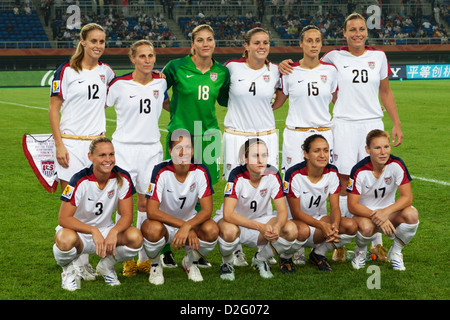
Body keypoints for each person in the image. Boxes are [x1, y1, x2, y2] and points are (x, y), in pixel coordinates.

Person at [279, 13, 404, 259]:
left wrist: (396, 123)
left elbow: (386, 92)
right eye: (352, 29)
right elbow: (312, 67)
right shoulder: (333, 57)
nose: (357, 33)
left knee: (374, 177)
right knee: (345, 180)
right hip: (344, 125)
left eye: (361, 29)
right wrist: (284, 64)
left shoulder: (378, 56)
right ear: (344, 33)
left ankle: (375, 240)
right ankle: (341, 244)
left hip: (372, 124)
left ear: (367, 32)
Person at [49, 23, 116, 281]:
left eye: (102, 41)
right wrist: (59, 144)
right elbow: (54, 109)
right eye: (94, 41)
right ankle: (74, 259)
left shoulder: (106, 72)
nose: (98, 46)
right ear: (83, 41)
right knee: (73, 204)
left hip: (97, 146)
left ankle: (85, 259)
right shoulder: (65, 70)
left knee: (93, 201)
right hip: (71, 145)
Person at [161, 24, 230, 267]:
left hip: (208, 135)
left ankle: (195, 251)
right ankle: (166, 248)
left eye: (209, 39)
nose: (205, 44)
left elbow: (223, 99)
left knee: (204, 192)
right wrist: (172, 108)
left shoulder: (222, 72)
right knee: (171, 192)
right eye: (200, 40)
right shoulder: (176, 66)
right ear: (193, 44)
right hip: (180, 134)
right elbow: (158, 89)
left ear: (214, 43)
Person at [106, 40, 170, 276]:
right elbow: (99, 107)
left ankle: (144, 258)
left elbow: (166, 103)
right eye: (142, 56)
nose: (147, 60)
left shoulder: (161, 81)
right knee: (122, 203)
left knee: (146, 203)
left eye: (151, 55)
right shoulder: (118, 84)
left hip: (151, 150)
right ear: (132, 58)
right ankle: (126, 255)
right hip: (123, 149)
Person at [221, 27, 281, 267]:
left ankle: (263, 245)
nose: (262, 46)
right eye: (256, 42)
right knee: (234, 190)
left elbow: (281, 95)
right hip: (237, 136)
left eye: (266, 42)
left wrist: (264, 112)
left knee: (266, 188)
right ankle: (235, 249)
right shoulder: (231, 67)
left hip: (266, 136)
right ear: (245, 46)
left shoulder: (276, 70)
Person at [52, 137, 143, 291]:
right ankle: (68, 272)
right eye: (102, 155)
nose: (108, 159)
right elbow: (63, 218)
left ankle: (106, 267)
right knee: (64, 240)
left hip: (106, 231)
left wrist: (114, 231)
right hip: (79, 233)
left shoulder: (123, 178)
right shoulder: (79, 180)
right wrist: (93, 230)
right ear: (90, 157)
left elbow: (127, 216)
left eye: (111, 154)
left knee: (135, 238)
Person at [141, 129, 219, 284]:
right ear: (170, 151)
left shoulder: (201, 170)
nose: (184, 152)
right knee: (151, 229)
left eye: (188, 147)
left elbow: (207, 210)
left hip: (189, 222)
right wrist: (185, 226)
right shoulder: (160, 170)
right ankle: (156, 265)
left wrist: (189, 225)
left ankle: (190, 262)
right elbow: (151, 211)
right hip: (164, 224)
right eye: (178, 148)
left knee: (212, 230)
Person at [215, 138, 298, 280]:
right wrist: (260, 227)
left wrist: (277, 227)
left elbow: (283, 211)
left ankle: (261, 258)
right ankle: (227, 263)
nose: (261, 160)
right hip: (235, 222)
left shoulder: (272, 173)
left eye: (264, 155)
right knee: (229, 231)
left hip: (260, 220)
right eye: (255, 156)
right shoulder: (236, 175)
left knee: (290, 230)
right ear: (245, 158)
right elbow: (228, 214)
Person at [283, 134, 357, 272]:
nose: (322, 155)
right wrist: (322, 225)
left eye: (326, 150)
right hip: (294, 223)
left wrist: (334, 224)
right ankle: (285, 256)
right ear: (306, 154)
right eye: (316, 151)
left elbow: (335, 207)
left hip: (318, 221)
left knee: (350, 226)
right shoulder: (294, 174)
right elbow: (296, 213)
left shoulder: (332, 171)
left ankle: (318, 254)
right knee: (303, 231)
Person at [347, 130, 419, 271]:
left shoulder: (397, 164)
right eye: (377, 148)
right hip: (364, 215)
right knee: (367, 228)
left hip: (389, 214)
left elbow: (407, 197)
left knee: (412, 214)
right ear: (368, 149)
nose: (383, 152)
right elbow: (353, 206)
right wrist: (379, 216)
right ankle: (360, 252)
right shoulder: (359, 170)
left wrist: (385, 213)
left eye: (386, 147)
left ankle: (396, 252)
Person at [273, 25, 338, 173]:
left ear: (321, 43)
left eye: (317, 40)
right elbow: (277, 102)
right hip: (296, 135)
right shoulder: (289, 70)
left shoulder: (331, 71)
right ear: (301, 43)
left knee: (324, 181)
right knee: (293, 183)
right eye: (309, 41)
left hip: (324, 133)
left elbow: (339, 102)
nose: (314, 44)